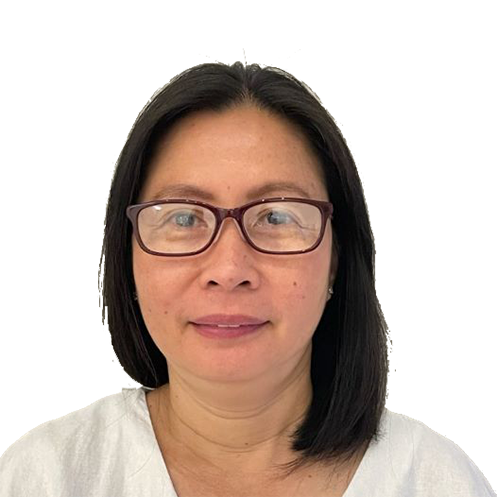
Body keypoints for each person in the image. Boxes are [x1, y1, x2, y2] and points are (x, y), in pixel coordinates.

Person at [0, 61, 494, 497]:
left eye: (276, 217)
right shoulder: (45, 478)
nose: (228, 270)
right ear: (127, 256)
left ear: (337, 258)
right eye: (183, 217)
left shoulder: (435, 481)